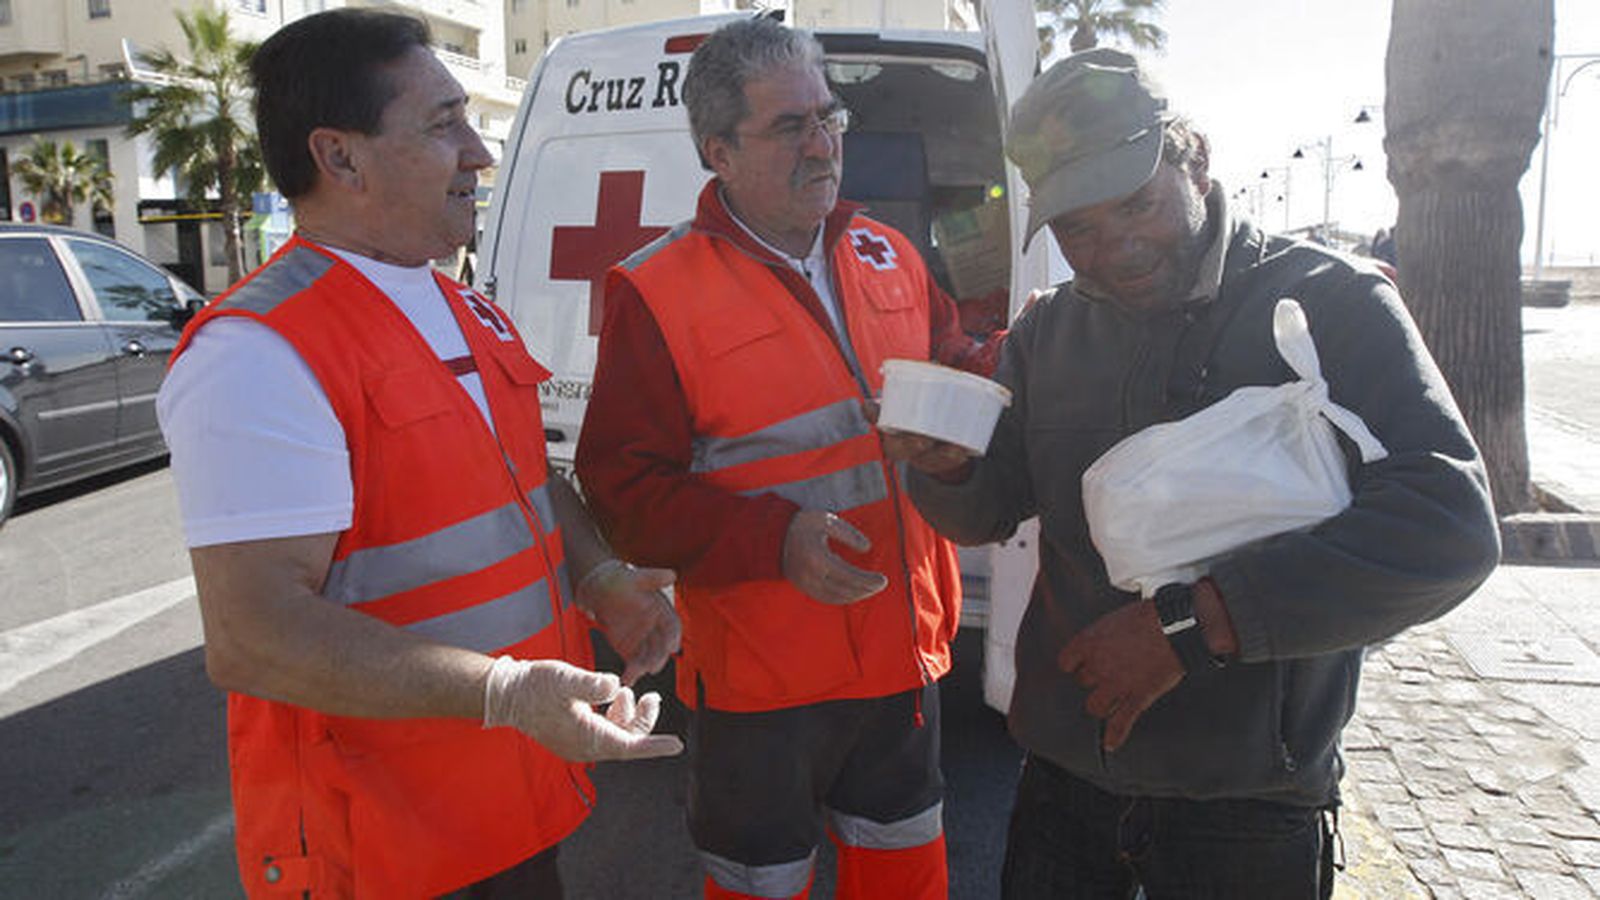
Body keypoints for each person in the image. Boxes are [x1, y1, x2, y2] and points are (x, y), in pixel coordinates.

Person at [885, 48, 1500, 899]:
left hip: (1249, 806)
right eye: (1077, 229)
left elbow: (1450, 527)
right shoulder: (1046, 336)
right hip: (1066, 787)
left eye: (1137, 204)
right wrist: (948, 471)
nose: (1116, 249)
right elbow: (991, 510)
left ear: (1196, 157)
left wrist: (1195, 624)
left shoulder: (1335, 303)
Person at [156, 10, 683, 898]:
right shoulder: (258, 349)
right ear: (341, 158)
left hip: (511, 802)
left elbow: (522, 478)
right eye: (444, 125)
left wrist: (599, 579)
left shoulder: (466, 307)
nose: (479, 154)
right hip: (384, 847)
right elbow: (253, 637)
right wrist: (507, 694)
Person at [574, 17, 997, 900]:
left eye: (829, 117)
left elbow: (953, 364)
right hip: (763, 681)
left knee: (906, 870)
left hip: (902, 653)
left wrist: (996, 380)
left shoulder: (888, 250)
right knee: (762, 885)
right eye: (790, 126)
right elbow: (621, 493)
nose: (823, 144)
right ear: (717, 150)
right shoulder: (659, 291)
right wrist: (776, 541)